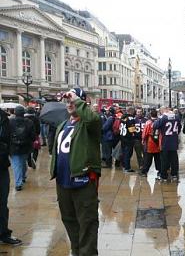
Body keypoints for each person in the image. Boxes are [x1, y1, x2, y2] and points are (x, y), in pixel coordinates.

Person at [50, 88, 101, 256]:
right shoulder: (63, 125)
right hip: (63, 182)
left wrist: (77, 100)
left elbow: (93, 120)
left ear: (82, 102)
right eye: (68, 101)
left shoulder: (89, 123)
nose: (70, 104)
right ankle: (77, 251)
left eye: (73, 101)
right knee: (69, 221)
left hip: (83, 181)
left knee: (87, 223)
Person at [0, 109, 22, 245]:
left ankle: (3, 232)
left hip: (1, 166)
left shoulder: (3, 117)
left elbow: (8, 139)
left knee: (2, 202)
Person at [9, 106, 35, 191]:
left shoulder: (10, 122)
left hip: (13, 147)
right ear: (23, 113)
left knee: (16, 165)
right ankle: (22, 177)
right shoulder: (29, 122)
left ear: (15, 112)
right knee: (23, 163)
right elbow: (33, 136)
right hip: (25, 147)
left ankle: (18, 183)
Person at [154, 107, 182, 182]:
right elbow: (179, 127)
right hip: (174, 141)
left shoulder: (163, 118)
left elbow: (155, 126)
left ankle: (164, 176)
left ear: (164, 111)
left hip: (165, 141)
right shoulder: (176, 117)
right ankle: (174, 175)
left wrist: (160, 118)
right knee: (174, 159)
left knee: (164, 160)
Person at [140, 109, 161, 178]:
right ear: (156, 114)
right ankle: (160, 172)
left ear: (150, 115)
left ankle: (144, 172)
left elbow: (145, 132)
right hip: (158, 143)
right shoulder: (159, 121)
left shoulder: (148, 122)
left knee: (148, 159)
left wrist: (143, 139)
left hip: (150, 143)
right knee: (158, 159)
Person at [120, 107, 136, 173]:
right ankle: (127, 168)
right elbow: (132, 130)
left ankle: (124, 166)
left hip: (122, 137)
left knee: (124, 152)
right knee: (128, 153)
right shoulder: (131, 118)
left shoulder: (123, 117)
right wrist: (134, 135)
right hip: (128, 138)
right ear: (131, 111)